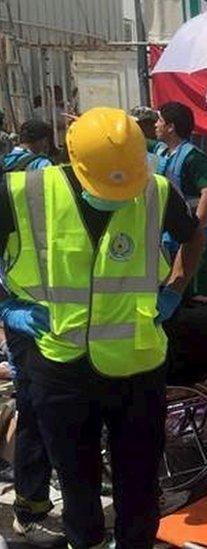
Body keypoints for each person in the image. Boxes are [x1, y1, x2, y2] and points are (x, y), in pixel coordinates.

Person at [0, 107, 205, 548]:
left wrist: (175, 287)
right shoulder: (22, 192)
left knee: (139, 480)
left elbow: (193, 234)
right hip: (62, 363)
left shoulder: (156, 191)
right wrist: (7, 309)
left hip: (138, 362)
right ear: (73, 158)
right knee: (78, 480)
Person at [1, 117, 61, 547]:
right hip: (29, 314)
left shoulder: (12, 171)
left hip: (37, 309)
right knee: (36, 412)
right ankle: (29, 509)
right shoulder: (39, 173)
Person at [154, 101, 207, 302]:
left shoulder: (193, 158)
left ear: (171, 127)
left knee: (204, 297)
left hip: (205, 240)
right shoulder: (162, 152)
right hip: (177, 238)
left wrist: (195, 228)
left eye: (159, 120)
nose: (155, 125)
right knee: (179, 293)